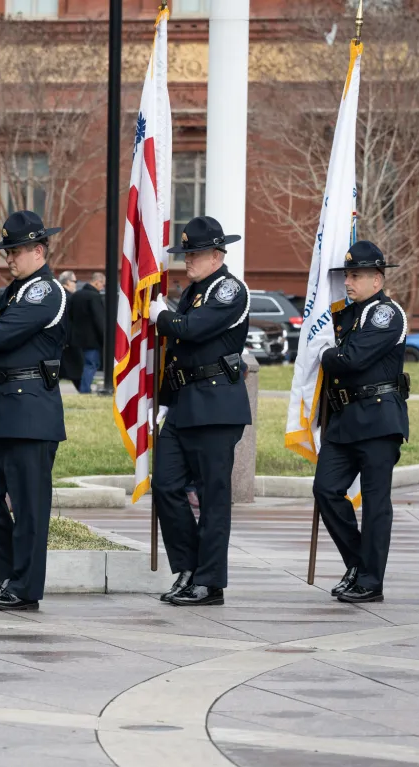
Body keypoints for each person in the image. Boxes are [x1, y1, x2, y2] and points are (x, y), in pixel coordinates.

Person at [0, 211, 69, 611]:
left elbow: (1, 335)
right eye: (7, 251)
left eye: (16, 251)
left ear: (39, 250)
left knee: (28, 508)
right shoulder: (16, 292)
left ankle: (25, 587)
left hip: (29, 414)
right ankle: (11, 573)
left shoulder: (45, 291)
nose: (9, 258)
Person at [149, 216, 251, 607]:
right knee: (166, 486)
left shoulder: (228, 289)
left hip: (217, 405)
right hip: (185, 403)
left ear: (216, 255)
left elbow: (191, 330)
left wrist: (163, 316)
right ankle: (188, 567)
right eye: (185, 253)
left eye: (193, 254)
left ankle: (209, 581)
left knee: (212, 497)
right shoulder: (195, 291)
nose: (187, 260)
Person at [315, 240, 409, 604]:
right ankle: (358, 563)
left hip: (378, 419)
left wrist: (325, 354)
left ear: (377, 279)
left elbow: (351, 359)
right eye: (347, 275)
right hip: (344, 421)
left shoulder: (386, 314)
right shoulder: (345, 315)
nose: (349, 282)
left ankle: (371, 581)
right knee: (325, 490)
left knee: (374, 504)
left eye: (357, 275)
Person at [69, 272, 107, 394]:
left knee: (82, 365)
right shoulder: (94, 297)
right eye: (102, 285)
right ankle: (85, 390)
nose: (102, 288)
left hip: (76, 338)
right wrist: (105, 338)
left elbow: (70, 316)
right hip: (92, 339)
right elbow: (99, 319)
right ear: (97, 282)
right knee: (91, 364)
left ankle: (84, 388)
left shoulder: (76, 295)